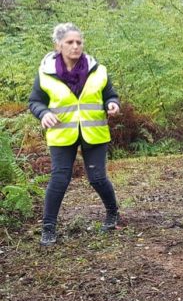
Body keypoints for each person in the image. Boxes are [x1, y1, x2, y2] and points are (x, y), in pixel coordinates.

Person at [29, 23, 121, 247]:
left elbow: (111, 94)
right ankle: (48, 228)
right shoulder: (46, 73)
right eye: (70, 42)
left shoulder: (98, 70)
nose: (75, 46)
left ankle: (113, 213)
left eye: (79, 42)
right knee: (59, 179)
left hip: (94, 132)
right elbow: (35, 102)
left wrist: (112, 104)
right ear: (58, 45)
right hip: (61, 133)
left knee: (98, 178)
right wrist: (43, 114)